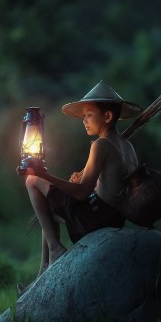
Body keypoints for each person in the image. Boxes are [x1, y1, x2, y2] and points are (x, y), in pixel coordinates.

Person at [18, 80, 141, 296]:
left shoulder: (100, 144)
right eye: (83, 116)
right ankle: (42, 274)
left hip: (95, 218)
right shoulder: (127, 146)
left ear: (108, 117)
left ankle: (56, 250)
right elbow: (108, 186)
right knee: (47, 211)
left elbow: (82, 192)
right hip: (113, 217)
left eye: (89, 115)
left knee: (31, 180)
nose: (84, 120)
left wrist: (43, 174)